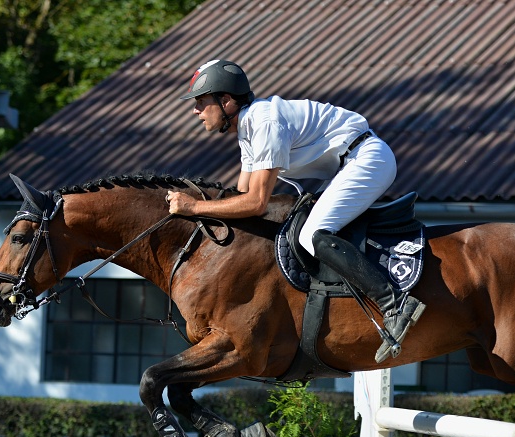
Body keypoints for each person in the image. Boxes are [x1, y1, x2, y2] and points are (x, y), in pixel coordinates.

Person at [168, 59, 425, 361]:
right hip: (349, 164)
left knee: (311, 234)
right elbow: (240, 194)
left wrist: (194, 206)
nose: (196, 111)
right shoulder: (249, 127)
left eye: (201, 102)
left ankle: (394, 303)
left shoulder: (264, 124)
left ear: (225, 101)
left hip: (368, 160)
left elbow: (256, 202)